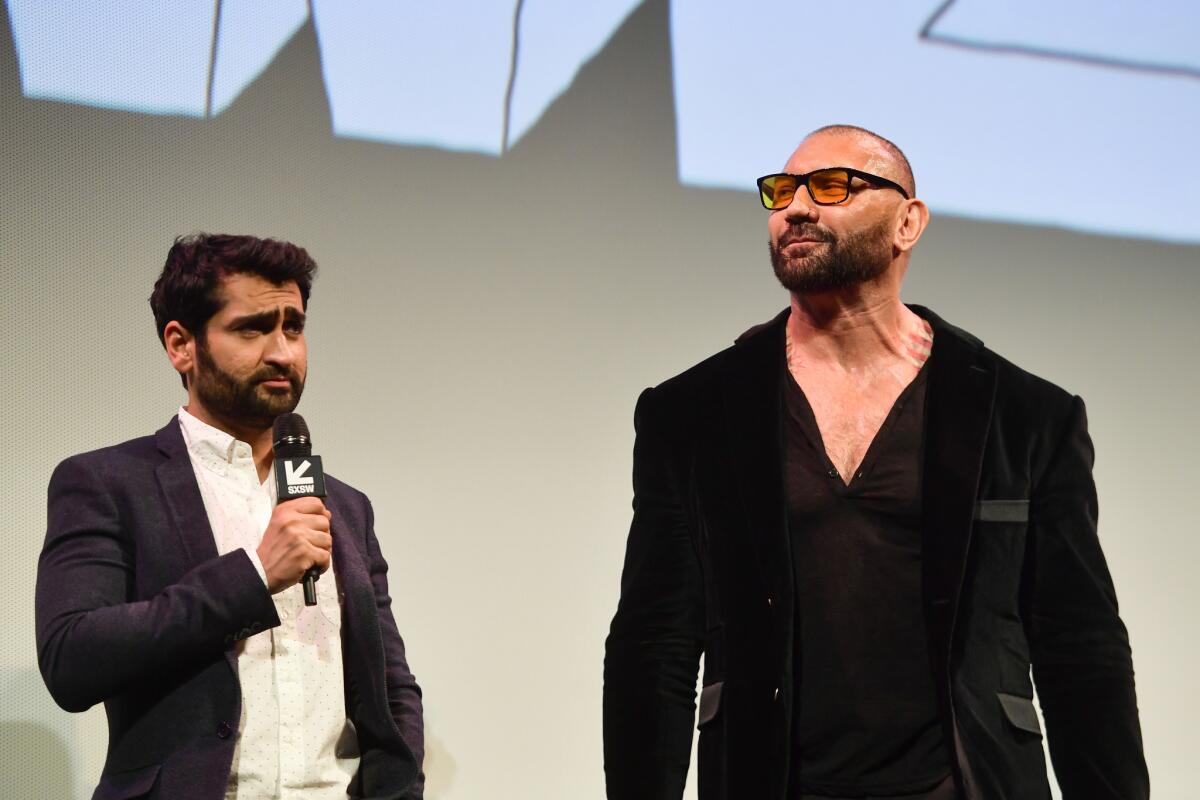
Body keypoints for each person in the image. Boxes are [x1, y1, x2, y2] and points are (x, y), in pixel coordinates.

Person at [602, 126, 1147, 800]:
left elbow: (1079, 649)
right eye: (781, 192)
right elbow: (654, 646)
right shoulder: (691, 413)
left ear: (908, 222)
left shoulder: (1025, 415)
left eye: (832, 186)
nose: (796, 207)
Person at [36, 234, 424, 799]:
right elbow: (71, 657)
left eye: (294, 326)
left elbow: (390, 685)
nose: (283, 352)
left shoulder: (345, 506)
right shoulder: (108, 483)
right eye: (253, 328)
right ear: (180, 345)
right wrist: (254, 577)